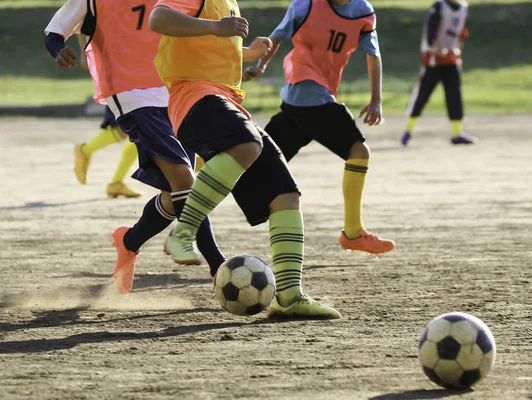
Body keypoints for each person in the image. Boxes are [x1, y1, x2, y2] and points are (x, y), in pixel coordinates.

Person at [149, 0, 340, 319]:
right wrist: (215, 27)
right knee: (248, 144)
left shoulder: (229, 2)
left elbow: (207, 48)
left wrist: (247, 52)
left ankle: (290, 296)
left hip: (224, 100)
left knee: (285, 195)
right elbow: (158, 18)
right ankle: (183, 232)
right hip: (195, 98)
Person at [44, 0, 226, 294]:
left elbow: (191, 29)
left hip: (174, 92)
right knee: (185, 181)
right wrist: (59, 50)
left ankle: (129, 242)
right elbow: (55, 31)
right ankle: (219, 266)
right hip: (130, 95)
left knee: (173, 194)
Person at [243, 0, 395, 255]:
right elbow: (276, 38)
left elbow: (373, 55)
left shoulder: (363, 12)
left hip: (302, 100)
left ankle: (191, 214)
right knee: (358, 151)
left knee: (254, 162)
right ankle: (353, 233)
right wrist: (260, 65)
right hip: (308, 92)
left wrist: (376, 99)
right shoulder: (305, 6)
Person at [74, 34, 141, 198]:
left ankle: (116, 183)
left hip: (142, 63)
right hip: (116, 64)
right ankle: (85, 150)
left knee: (142, 129)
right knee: (125, 129)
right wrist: (85, 53)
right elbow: (81, 18)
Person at [401, 0, 476, 146]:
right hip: (433, 61)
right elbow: (431, 31)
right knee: (422, 96)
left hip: (451, 61)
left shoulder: (463, 8)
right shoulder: (439, 6)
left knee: (454, 95)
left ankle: (457, 133)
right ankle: (407, 131)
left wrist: (457, 52)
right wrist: (435, 48)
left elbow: (462, 33)